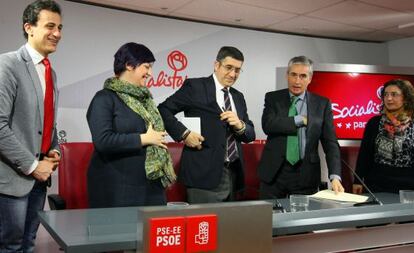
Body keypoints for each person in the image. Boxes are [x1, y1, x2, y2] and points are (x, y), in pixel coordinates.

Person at [0, 1, 62, 252]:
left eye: (59, 27)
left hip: (39, 181)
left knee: (29, 244)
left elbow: (47, 122)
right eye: (50, 26)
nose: (57, 33)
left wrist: (54, 150)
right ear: (29, 27)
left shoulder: (51, 72)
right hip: (13, 180)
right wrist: (34, 166)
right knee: (10, 247)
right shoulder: (8, 65)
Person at [158, 46, 255, 204]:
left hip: (234, 175)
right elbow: (163, 110)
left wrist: (240, 124)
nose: (233, 74)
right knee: (204, 227)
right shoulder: (195, 87)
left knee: (228, 227)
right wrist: (185, 134)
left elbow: (250, 135)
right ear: (216, 65)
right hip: (202, 175)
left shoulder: (238, 97)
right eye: (228, 67)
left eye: (237, 70)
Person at [87, 42, 176, 208]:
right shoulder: (104, 98)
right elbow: (103, 141)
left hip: (151, 185)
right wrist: (144, 139)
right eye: (146, 67)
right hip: (117, 188)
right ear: (129, 65)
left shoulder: (145, 100)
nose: (150, 73)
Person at [258, 56, 344, 199]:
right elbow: (268, 125)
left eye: (303, 76)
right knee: (269, 219)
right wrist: (300, 120)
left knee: (301, 219)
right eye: (293, 75)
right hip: (274, 173)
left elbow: (330, 143)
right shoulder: (273, 98)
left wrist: (335, 176)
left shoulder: (322, 104)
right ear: (287, 75)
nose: (297, 81)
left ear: (310, 78)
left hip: (306, 174)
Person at [353, 79, 414, 194]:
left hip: (409, 187)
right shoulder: (374, 123)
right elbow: (364, 155)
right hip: (377, 184)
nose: (389, 98)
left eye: (394, 94)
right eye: (386, 94)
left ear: (405, 98)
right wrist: (358, 180)